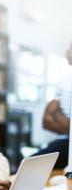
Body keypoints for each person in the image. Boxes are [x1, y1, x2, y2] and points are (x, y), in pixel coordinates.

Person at [32, 41, 72, 169]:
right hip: (64, 142)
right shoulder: (64, 81)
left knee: (32, 165)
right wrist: (66, 124)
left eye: (70, 47)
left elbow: (54, 117)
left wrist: (58, 116)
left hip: (67, 143)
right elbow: (46, 120)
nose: (66, 51)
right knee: (30, 163)